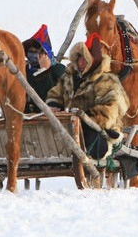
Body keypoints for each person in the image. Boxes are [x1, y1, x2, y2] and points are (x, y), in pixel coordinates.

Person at [46, 33, 129, 161]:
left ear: (93, 60)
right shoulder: (69, 77)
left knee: (88, 137)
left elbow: (110, 110)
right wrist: (54, 107)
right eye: (79, 59)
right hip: (70, 127)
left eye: (84, 59)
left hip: (99, 133)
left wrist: (85, 118)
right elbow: (55, 94)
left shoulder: (106, 81)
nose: (80, 63)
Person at [22, 24, 66, 113]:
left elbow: (52, 100)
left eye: (36, 51)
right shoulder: (24, 72)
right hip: (29, 121)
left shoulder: (59, 70)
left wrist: (44, 72)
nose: (32, 55)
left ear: (45, 54)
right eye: (30, 51)